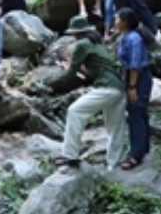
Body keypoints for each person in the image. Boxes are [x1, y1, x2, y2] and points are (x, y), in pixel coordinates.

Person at [54, 16, 129, 169]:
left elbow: (71, 74)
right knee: (115, 128)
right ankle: (113, 164)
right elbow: (93, 72)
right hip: (119, 89)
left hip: (106, 88)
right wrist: (77, 69)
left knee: (75, 111)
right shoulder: (98, 44)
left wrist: (51, 84)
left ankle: (70, 155)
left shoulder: (82, 45)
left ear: (76, 33)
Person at [116, 8, 152, 170]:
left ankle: (135, 155)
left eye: (117, 19)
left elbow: (135, 65)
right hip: (133, 77)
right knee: (139, 113)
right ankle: (143, 148)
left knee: (136, 115)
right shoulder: (126, 36)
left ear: (125, 22)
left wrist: (132, 87)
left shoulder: (134, 39)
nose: (115, 22)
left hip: (138, 78)